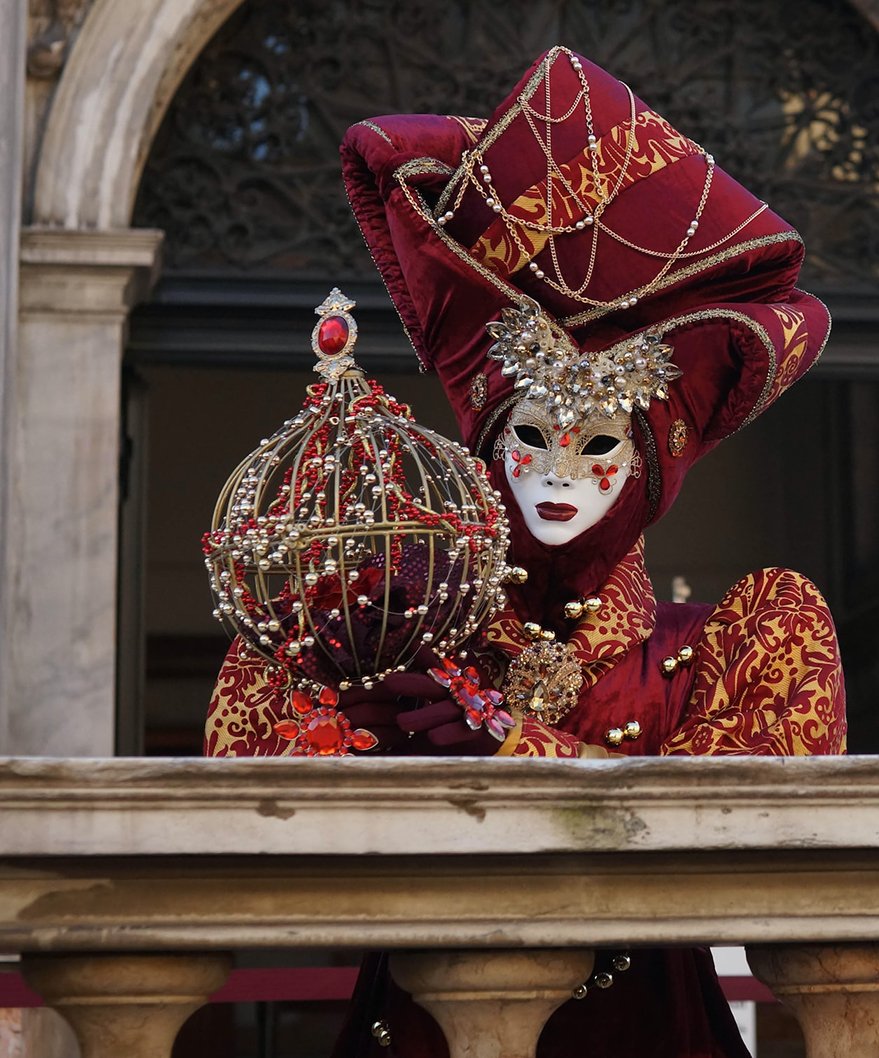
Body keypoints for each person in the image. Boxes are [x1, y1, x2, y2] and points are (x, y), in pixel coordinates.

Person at [205, 45, 844, 1057]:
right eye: (532, 437)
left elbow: (768, 836)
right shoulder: (399, 624)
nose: (557, 473)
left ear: (650, 470)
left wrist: (522, 747)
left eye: (600, 445)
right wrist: (349, 742)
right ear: (486, 449)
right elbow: (237, 806)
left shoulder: (731, 640)